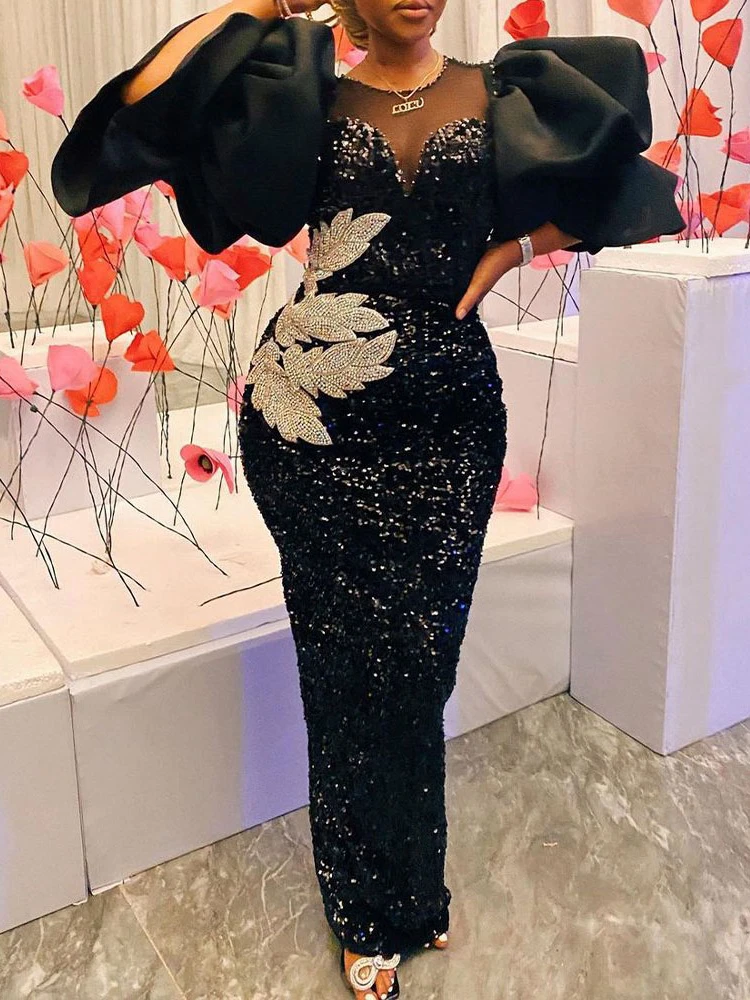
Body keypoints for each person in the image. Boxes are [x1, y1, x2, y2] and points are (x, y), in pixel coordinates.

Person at [50, 2, 686, 997]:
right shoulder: (304, 98)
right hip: (312, 420)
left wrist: (513, 251)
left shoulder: (507, 88)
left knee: (419, 667)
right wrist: (262, 7)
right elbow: (148, 103)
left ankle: (410, 888)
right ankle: (366, 906)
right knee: (345, 670)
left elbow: (621, 181)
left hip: (451, 424)